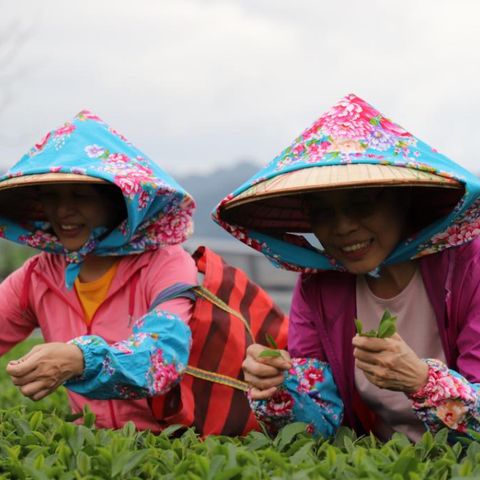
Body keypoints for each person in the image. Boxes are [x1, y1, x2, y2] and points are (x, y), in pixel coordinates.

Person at [213, 93, 480, 442]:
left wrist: (420, 380)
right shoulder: (319, 286)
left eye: (362, 204)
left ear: (405, 199)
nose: (341, 228)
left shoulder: (468, 266)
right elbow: (320, 421)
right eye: (323, 211)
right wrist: (279, 388)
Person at [0, 110, 197, 431]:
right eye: (51, 196)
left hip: (176, 441)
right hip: (90, 443)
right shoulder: (38, 274)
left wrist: (80, 359)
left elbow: (162, 358)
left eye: (81, 195)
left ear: (119, 201)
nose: (63, 211)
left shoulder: (166, 263)